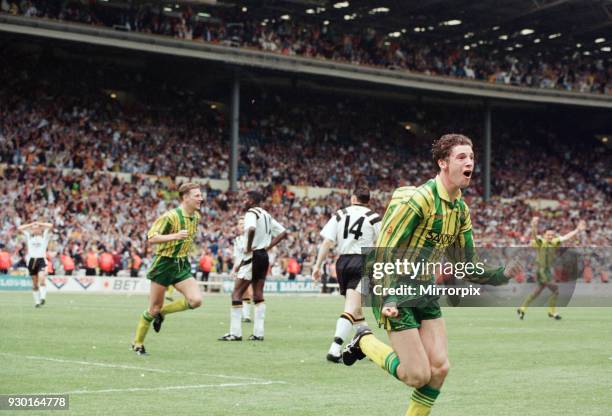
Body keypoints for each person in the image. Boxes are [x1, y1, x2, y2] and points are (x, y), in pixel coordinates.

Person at [341, 134, 521, 416]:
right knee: (416, 375)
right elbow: (386, 249)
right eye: (461, 157)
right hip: (395, 289)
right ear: (442, 163)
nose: (469, 162)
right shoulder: (420, 199)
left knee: (439, 369)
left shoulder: (460, 210)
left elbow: (467, 262)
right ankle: (363, 340)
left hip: (424, 291)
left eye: (471, 157)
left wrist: (502, 275)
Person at [131, 182, 204, 355]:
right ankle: (137, 344)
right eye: (197, 195)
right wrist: (175, 236)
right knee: (153, 308)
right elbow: (151, 237)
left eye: (200, 195)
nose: (201, 198)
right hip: (164, 264)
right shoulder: (170, 216)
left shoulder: (196, 217)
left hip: (181, 263)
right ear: (185, 197)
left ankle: (162, 313)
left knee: (196, 300)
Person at [312, 185, 381, 363]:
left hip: (342, 262)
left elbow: (327, 242)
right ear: (369, 201)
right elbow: (382, 243)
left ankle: (370, 346)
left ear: (352, 198)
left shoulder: (339, 215)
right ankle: (335, 349)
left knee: (355, 309)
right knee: (351, 308)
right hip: (363, 261)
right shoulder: (373, 217)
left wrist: (317, 266)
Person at [219, 191, 287, 341]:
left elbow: (250, 229)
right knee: (258, 294)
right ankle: (258, 333)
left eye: (246, 198)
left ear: (252, 200)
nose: (244, 201)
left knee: (236, 292)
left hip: (253, 255)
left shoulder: (251, 213)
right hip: (263, 255)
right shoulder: (266, 214)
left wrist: (248, 246)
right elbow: (283, 233)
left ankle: (235, 333)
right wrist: (268, 247)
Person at [517, 216, 586, 320]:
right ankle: (551, 312)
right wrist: (534, 226)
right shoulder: (541, 242)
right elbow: (534, 236)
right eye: (548, 234)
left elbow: (566, 237)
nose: (550, 236)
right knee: (555, 290)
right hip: (542, 270)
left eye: (552, 235)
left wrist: (577, 230)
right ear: (544, 235)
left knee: (537, 291)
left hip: (547, 270)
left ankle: (522, 308)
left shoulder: (554, 242)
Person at [18, 221, 53, 308]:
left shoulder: (44, 236)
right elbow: (19, 228)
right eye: (34, 228)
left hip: (41, 260)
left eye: (37, 228)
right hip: (32, 261)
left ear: (40, 229)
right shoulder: (29, 236)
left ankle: (42, 298)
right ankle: (37, 302)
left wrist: (40, 224)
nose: (35, 229)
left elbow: (51, 225)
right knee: (34, 283)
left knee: (42, 278)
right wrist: (31, 224)